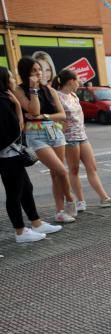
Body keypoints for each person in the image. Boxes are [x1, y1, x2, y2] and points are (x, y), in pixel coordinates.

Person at [0, 67, 62, 242]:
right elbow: (16, 129)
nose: (13, 80)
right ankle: (20, 232)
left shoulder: (6, 98)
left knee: (26, 189)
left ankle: (36, 223)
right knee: (15, 193)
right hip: (8, 156)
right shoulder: (3, 101)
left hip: (12, 155)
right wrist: (19, 108)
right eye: (10, 78)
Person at [13, 56, 76, 223]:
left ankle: (60, 212)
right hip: (36, 135)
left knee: (56, 175)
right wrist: (33, 90)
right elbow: (33, 111)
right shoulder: (19, 90)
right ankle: (70, 199)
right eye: (34, 70)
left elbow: (62, 115)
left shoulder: (50, 90)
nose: (39, 73)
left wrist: (45, 116)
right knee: (62, 170)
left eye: (39, 70)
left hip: (54, 132)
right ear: (25, 72)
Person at [53, 69, 111, 210]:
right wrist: (61, 126)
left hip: (82, 135)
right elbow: (56, 116)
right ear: (71, 81)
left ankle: (105, 198)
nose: (79, 83)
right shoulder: (58, 96)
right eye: (78, 80)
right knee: (74, 170)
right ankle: (80, 201)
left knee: (92, 167)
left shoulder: (74, 95)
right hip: (69, 138)